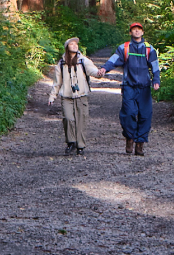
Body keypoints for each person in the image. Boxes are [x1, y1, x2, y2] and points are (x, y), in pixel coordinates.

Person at [100, 22, 160, 156]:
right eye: (134, 29)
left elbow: (155, 66)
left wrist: (156, 80)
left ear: (143, 32)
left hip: (144, 88)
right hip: (129, 87)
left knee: (145, 116)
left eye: (139, 29)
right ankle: (130, 138)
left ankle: (140, 145)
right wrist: (104, 68)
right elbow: (113, 60)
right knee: (128, 114)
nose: (137, 31)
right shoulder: (124, 48)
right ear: (130, 32)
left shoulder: (149, 49)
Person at [48, 37, 100, 155]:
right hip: (66, 95)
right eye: (71, 44)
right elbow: (57, 82)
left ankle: (80, 145)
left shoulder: (83, 60)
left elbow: (92, 70)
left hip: (81, 95)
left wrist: (99, 73)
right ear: (67, 47)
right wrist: (52, 96)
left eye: (76, 44)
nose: (75, 46)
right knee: (68, 118)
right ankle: (71, 142)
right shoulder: (61, 64)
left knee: (81, 120)